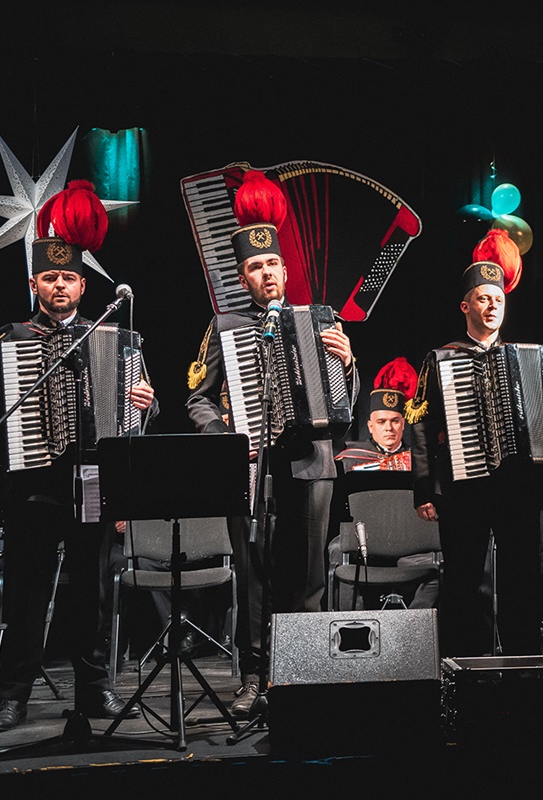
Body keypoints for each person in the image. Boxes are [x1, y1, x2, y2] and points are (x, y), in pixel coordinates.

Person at [0, 181, 155, 732]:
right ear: (34, 284)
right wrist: (9, 398)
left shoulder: (114, 338)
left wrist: (145, 401)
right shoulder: (11, 339)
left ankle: (94, 689)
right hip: (34, 483)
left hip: (94, 482)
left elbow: (141, 412)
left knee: (92, 589)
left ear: (82, 283)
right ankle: (14, 695)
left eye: (68, 278)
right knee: (27, 590)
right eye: (49, 278)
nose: (59, 286)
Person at [186, 171, 358, 716]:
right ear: (244, 277)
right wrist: (227, 439)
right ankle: (254, 678)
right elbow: (198, 399)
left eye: (272, 264)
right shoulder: (225, 328)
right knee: (255, 578)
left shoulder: (322, 320)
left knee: (306, 577)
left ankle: (302, 677)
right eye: (255, 267)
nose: (266, 273)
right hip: (252, 469)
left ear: (285, 271)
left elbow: (341, 403)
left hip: (312, 464)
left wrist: (348, 364)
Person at [408, 229, 543, 657]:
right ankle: (467, 661)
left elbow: (540, 420)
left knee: (522, 572)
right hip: (462, 486)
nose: (492, 306)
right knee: (466, 577)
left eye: (498, 299)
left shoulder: (523, 357)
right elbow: (420, 425)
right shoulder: (441, 357)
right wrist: (424, 489)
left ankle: (522, 658)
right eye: (483, 298)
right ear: (466, 306)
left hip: (516, 485)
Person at [333, 357, 438, 610]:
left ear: (404, 423)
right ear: (370, 426)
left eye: (395, 421)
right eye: (381, 422)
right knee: (336, 549)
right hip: (362, 539)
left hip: (412, 541)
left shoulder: (421, 462)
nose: (388, 428)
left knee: (443, 557)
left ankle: (415, 625)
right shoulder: (350, 459)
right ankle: (354, 626)